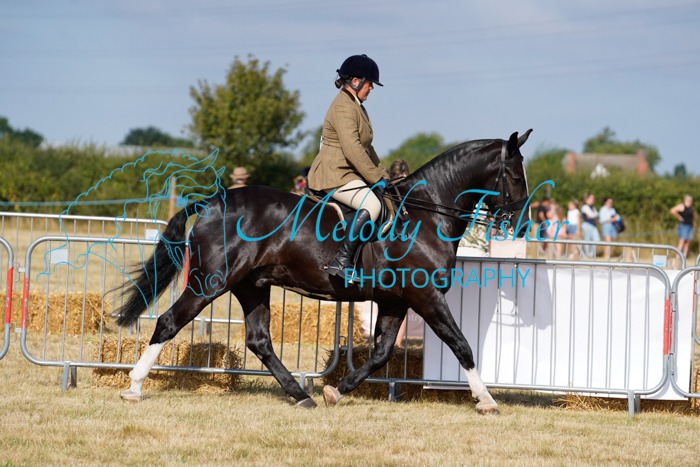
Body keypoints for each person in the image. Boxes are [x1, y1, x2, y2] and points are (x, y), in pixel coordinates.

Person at [307, 54, 389, 278]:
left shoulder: (357, 106)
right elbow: (353, 149)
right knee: (372, 205)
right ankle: (341, 261)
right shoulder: (343, 106)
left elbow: (367, 148)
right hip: (333, 173)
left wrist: (384, 176)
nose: (371, 88)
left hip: (347, 173)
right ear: (355, 81)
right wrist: (374, 179)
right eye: (369, 83)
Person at [580, 193, 600, 257]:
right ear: (586, 199)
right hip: (587, 225)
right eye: (591, 198)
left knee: (596, 239)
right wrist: (594, 215)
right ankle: (587, 255)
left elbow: (596, 215)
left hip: (593, 225)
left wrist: (593, 216)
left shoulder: (593, 207)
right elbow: (592, 215)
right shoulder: (584, 207)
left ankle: (592, 254)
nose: (593, 200)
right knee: (587, 240)